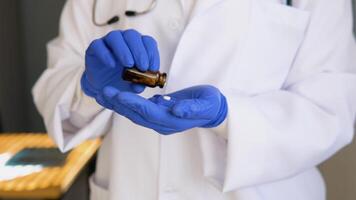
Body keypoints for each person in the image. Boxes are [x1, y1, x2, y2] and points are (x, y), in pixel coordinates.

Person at [32, 0, 356, 199]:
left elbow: (330, 110)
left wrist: (228, 117)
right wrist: (88, 86)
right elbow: (56, 88)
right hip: (131, 188)